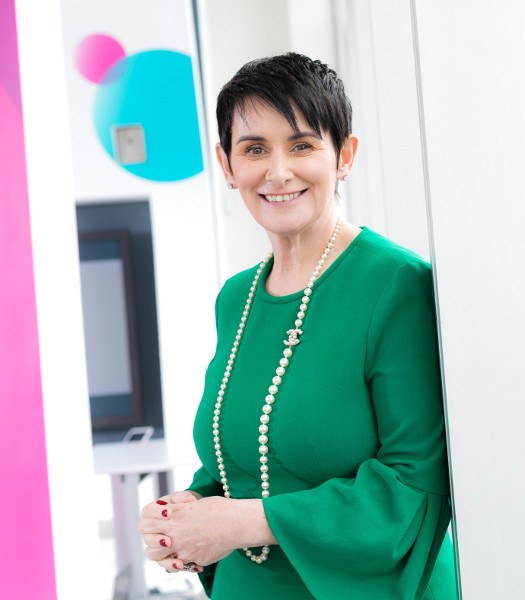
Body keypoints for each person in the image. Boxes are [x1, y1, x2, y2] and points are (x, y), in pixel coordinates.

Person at [137, 53, 456, 599]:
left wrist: (242, 523)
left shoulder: (396, 285)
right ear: (227, 164)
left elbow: (414, 488)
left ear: (345, 155)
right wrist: (188, 511)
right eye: (254, 149)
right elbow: (245, 464)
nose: (278, 172)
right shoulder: (235, 298)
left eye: (303, 145)